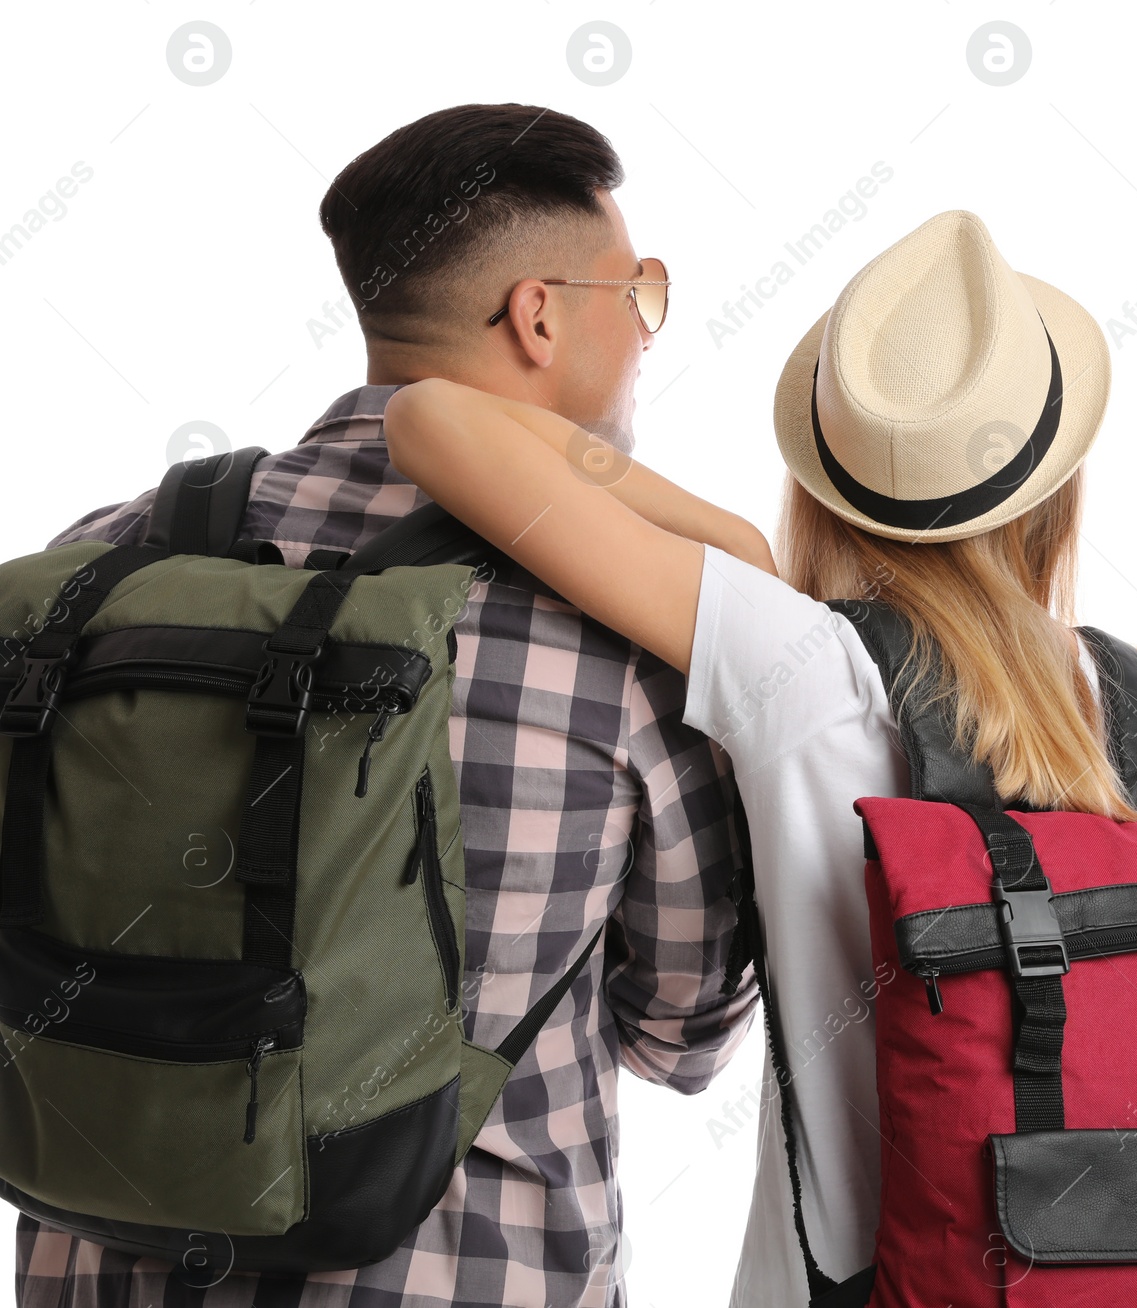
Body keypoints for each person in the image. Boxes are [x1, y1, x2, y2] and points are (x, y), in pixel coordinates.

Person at [377, 209, 1137, 1305]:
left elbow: (433, 418)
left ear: (825, 478)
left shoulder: (803, 667)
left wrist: (739, 550)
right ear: (1054, 486)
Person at [14, 104, 759, 1308]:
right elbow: (682, 1035)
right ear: (539, 313)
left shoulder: (100, 559)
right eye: (641, 295)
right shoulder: (635, 632)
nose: (648, 336)